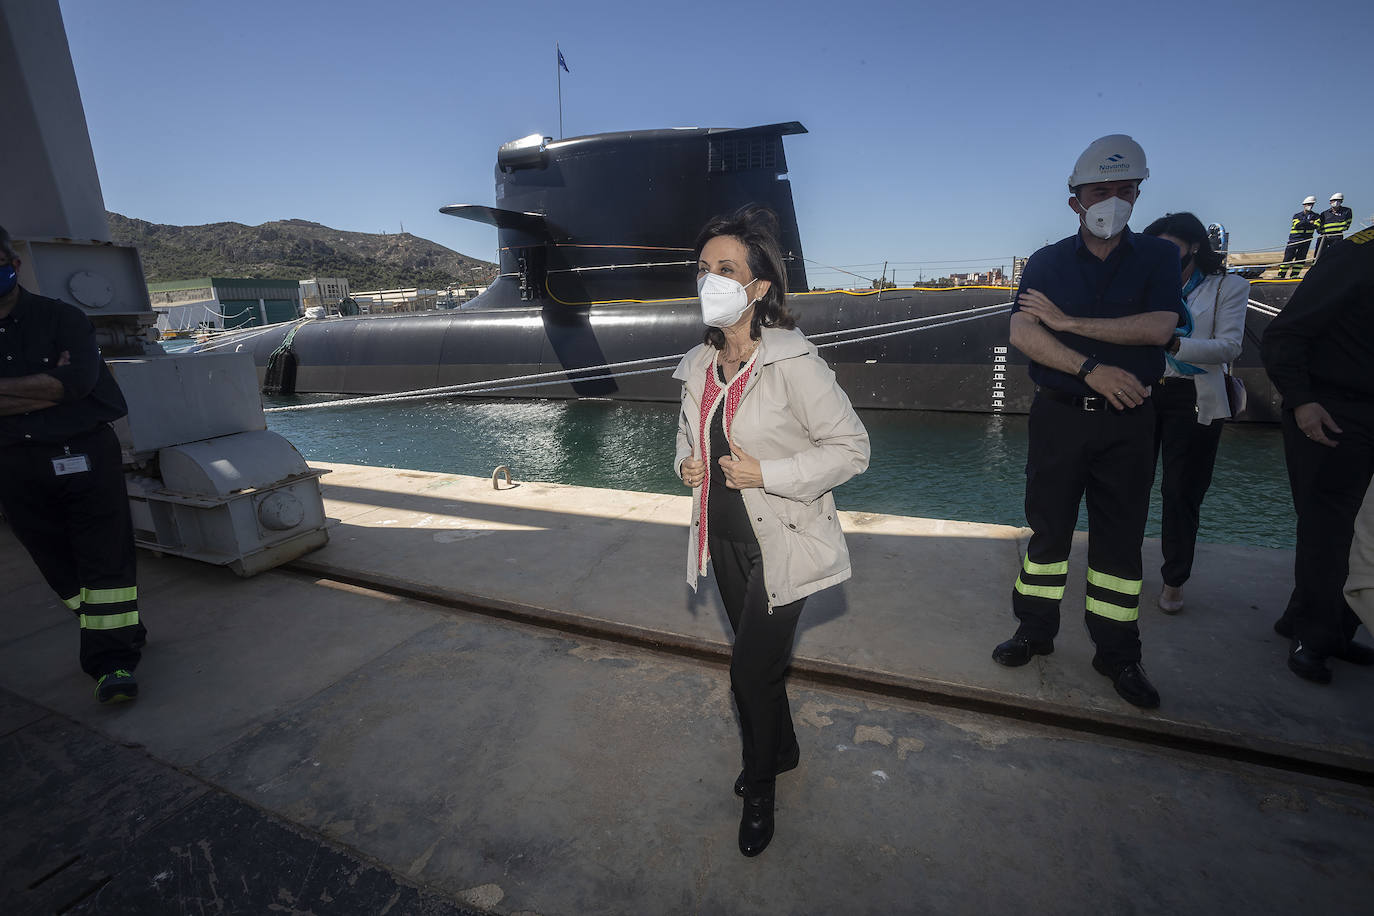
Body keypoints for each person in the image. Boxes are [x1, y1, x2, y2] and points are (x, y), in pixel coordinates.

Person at [673, 205, 869, 857]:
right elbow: (688, 436)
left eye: (726, 269)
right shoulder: (699, 364)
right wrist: (687, 463)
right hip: (722, 539)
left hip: (785, 542)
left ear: (758, 288)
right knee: (759, 667)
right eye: (704, 268)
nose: (710, 279)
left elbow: (852, 449)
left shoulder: (793, 362)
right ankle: (780, 749)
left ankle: (760, 792)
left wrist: (768, 472)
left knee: (748, 673)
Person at [992, 135, 1185, 710]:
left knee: (1120, 541)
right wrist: (1091, 368)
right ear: (1075, 199)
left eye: (1126, 189)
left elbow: (1159, 327)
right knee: (1048, 530)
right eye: (1101, 191)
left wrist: (1068, 322)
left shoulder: (1158, 257)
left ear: (1139, 194)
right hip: (1061, 416)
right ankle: (1034, 631)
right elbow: (1023, 332)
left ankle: (1118, 654)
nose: (1114, 201)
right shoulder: (1047, 262)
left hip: (1129, 420)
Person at [0, 225, 145, 703]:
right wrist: (49, 386)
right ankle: (119, 629)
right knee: (55, 561)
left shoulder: (61, 317)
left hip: (84, 453)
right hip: (14, 463)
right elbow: (62, 388)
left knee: (105, 556)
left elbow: (79, 383)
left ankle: (112, 662)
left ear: (13, 264)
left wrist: (57, 387)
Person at [1261, 225, 1374, 684]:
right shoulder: (1356, 256)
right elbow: (1285, 334)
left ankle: (1324, 624)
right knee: (1330, 529)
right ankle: (1314, 636)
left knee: (1361, 531)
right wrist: (1302, 399)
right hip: (1333, 410)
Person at [1142, 213, 1249, 614]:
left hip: (1194, 397)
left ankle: (1174, 581)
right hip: (1144, 391)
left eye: (1171, 248)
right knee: (1128, 486)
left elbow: (1229, 347)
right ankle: (1121, 568)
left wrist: (1172, 344)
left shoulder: (1228, 287)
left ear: (1195, 246)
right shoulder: (1150, 283)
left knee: (1181, 493)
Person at [1279, 196, 1322, 279]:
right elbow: (1297, 225)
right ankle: (1281, 275)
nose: (1310, 206)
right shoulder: (1297, 215)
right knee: (1288, 258)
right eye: (1308, 204)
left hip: (1306, 240)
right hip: (1294, 240)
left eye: (1311, 204)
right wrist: (1309, 222)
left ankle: (1294, 275)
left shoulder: (1316, 216)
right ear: (1304, 205)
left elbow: (1316, 225)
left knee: (1301, 258)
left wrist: (1304, 223)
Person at [1314, 192, 1353, 260]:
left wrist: (1341, 228)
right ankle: (1316, 265)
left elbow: (1348, 222)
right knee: (1319, 254)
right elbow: (1319, 225)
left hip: (1337, 236)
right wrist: (1320, 232)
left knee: (1336, 253)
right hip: (1324, 236)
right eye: (1334, 200)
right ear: (1330, 202)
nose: (1336, 202)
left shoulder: (1346, 211)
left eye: (1339, 200)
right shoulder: (1324, 213)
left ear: (1341, 201)